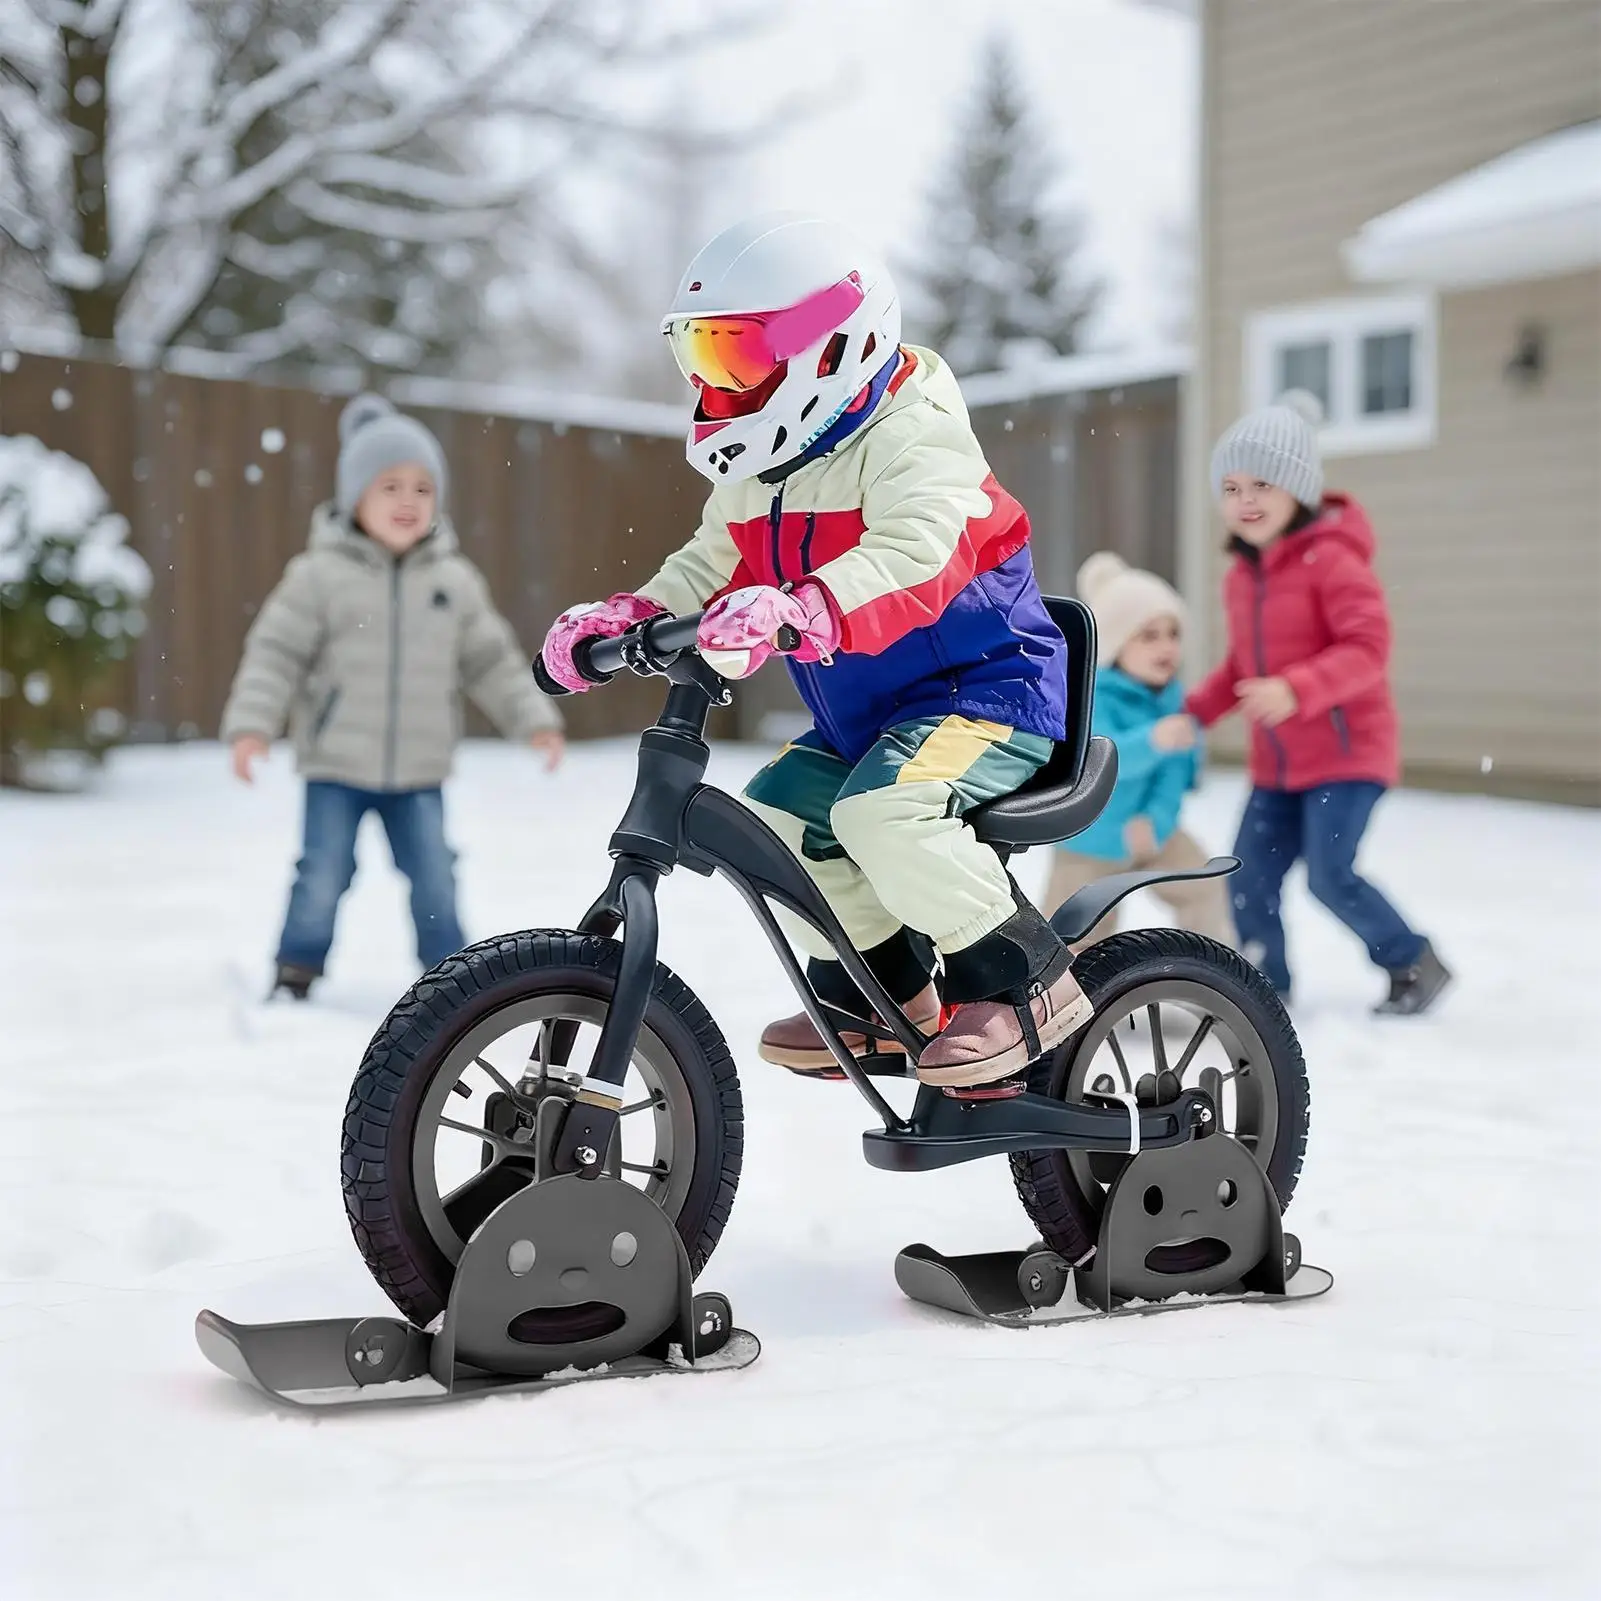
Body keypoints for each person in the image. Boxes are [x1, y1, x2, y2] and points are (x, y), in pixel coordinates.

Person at [541, 211, 1092, 1088]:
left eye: (735, 355)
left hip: (987, 700)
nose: (714, 384)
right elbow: (709, 564)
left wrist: (806, 605)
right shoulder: (765, 464)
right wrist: (631, 615)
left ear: (832, 347)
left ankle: (1024, 980)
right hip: (868, 720)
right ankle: (886, 996)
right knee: (779, 825)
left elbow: (916, 555)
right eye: (699, 356)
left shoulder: (917, 437)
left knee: (882, 814)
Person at [222, 394, 566, 1000]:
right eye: (390, 487)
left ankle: (452, 976)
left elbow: (491, 661)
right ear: (354, 496)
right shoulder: (318, 576)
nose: (408, 501)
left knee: (435, 875)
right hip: (335, 765)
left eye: (422, 488)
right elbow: (275, 653)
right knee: (323, 871)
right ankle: (297, 966)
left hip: (420, 769)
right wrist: (252, 725)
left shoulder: (453, 581)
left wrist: (533, 720)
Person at [1183, 390, 1451, 1015]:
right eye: (1231, 488)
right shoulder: (1241, 576)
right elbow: (1243, 667)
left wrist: (1296, 689)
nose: (1246, 500)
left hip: (1347, 756)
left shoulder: (1333, 561)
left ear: (1299, 489)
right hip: (1277, 764)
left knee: (1331, 876)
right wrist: (1193, 713)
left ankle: (1413, 961)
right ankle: (1264, 985)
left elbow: (1367, 649)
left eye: (1263, 484)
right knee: (1248, 875)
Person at [1044, 552, 1232, 950]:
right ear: (1115, 644)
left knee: (1204, 885)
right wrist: (1153, 740)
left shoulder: (1171, 698)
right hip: (1089, 840)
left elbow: (1174, 773)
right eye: (1149, 636)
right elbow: (1101, 759)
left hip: (1148, 832)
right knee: (1073, 934)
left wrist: (1155, 820)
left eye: (1173, 634)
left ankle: (1209, 970)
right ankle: (1067, 986)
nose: (1166, 646)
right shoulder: (1092, 696)